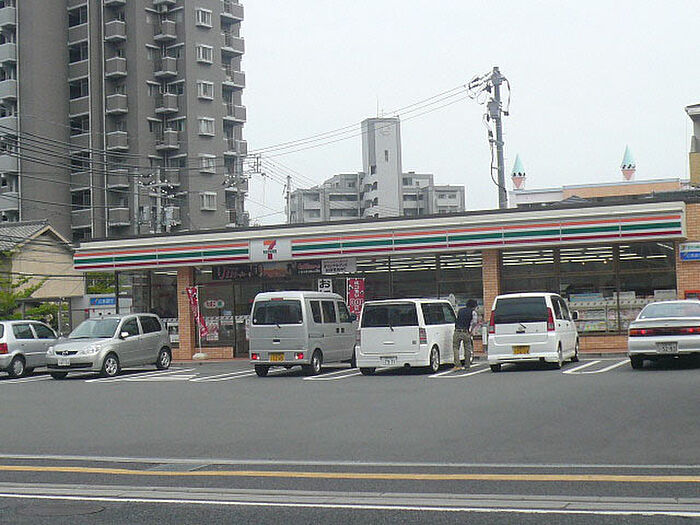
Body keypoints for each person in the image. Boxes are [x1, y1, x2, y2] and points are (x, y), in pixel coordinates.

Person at [452, 299, 478, 371]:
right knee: (467, 348)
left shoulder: (460, 310)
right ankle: (467, 365)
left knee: (455, 347)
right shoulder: (473, 312)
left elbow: (457, 319)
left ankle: (457, 365)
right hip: (466, 331)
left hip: (457, 331)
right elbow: (474, 322)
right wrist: (471, 330)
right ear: (474, 306)